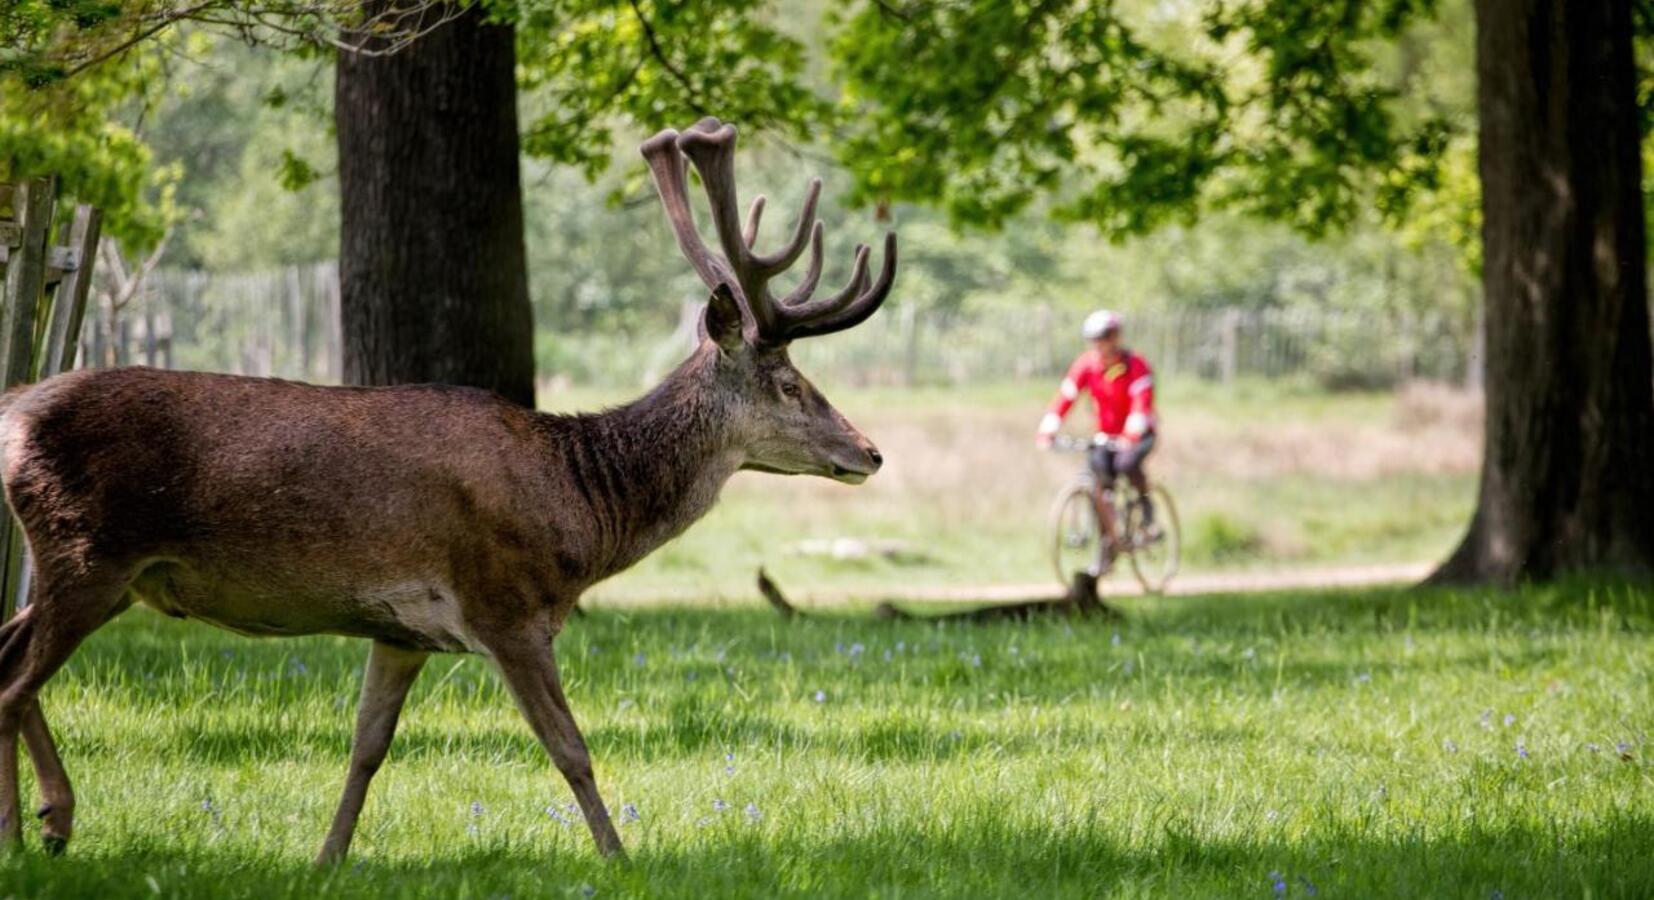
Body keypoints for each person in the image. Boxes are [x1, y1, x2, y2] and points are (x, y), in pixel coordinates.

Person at [1036, 309, 1159, 536]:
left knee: (1127, 465)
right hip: (1106, 436)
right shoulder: (1087, 365)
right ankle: (1107, 546)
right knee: (1100, 482)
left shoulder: (1136, 366)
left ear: (1116, 337)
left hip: (1140, 434)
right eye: (1095, 338)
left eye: (1105, 336)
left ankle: (1147, 511)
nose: (1100, 343)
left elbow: (1141, 403)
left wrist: (1131, 435)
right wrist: (1048, 428)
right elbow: (1066, 396)